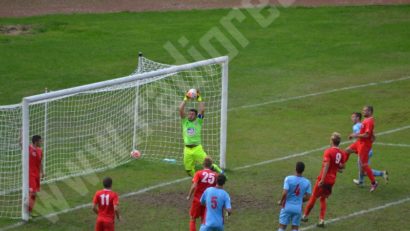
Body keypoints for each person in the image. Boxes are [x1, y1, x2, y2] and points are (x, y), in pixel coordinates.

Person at [301, 132, 347, 228]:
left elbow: (326, 165)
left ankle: (305, 216)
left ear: (331, 141)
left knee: (313, 197)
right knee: (323, 198)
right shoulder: (342, 153)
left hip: (324, 179)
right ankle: (321, 220)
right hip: (332, 181)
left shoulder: (328, 151)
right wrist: (336, 168)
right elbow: (342, 167)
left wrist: (322, 179)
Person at [179, 89, 222, 176]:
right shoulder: (185, 122)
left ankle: (222, 173)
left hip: (197, 148)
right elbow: (180, 109)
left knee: (209, 165)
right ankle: (197, 180)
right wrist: (186, 98)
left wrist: (199, 97)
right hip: (187, 150)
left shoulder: (198, 121)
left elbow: (202, 110)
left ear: (196, 116)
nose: (190, 115)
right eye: (189, 114)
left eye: (192, 114)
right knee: (188, 170)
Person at [345, 106, 379, 192]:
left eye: (365, 110)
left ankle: (374, 183)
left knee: (364, 165)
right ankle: (341, 166)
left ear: (370, 112)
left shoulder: (369, 121)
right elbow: (369, 133)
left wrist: (355, 135)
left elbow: (367, 135)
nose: (363, 112)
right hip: (359, 143)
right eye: (363, 110)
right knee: (347, 150)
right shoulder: (366, 120)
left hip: (364, 145)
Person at [350, 112, 388, 186]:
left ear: (358, 118)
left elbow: (361, 136)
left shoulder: (356, 127)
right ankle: (360, 182)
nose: (352, 119)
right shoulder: (363, 124)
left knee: (364, 170)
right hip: (368, 149)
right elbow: (372, 133)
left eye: (353, 117)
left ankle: (382, 173)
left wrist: (354, 136)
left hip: (364, 150)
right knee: (363, 168)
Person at [186, 157, 218, 231]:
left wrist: (189, 195)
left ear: (203, 164)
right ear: (211, 165)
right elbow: (217, 188)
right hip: (208, 201)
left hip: (197, 199)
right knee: (204, 220)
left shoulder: (198, 173)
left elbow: (194, 185)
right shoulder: (215, 175)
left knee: (193, 218)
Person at [277, 162, 311, 231]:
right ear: (303, 170)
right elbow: (308, 197)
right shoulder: (307, 182)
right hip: (298, 208)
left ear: (295, 169)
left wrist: (281, 201)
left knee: (282, 227)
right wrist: (300, 199)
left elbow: (284, 193)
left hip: (286, 206)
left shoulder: (288, 179)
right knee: (295, 228)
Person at [29, 135, 43, 217]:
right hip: (30, 174)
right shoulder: (29, 148)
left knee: (34, 194)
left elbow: (40, 162)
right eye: (40, 141)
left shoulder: (40, 150)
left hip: (37, 175)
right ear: (36, 142)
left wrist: (42, 172)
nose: (41, 142)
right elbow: (20, 143)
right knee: (33, 193)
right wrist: (21, 133)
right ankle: (26, 209)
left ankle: (29, 212)